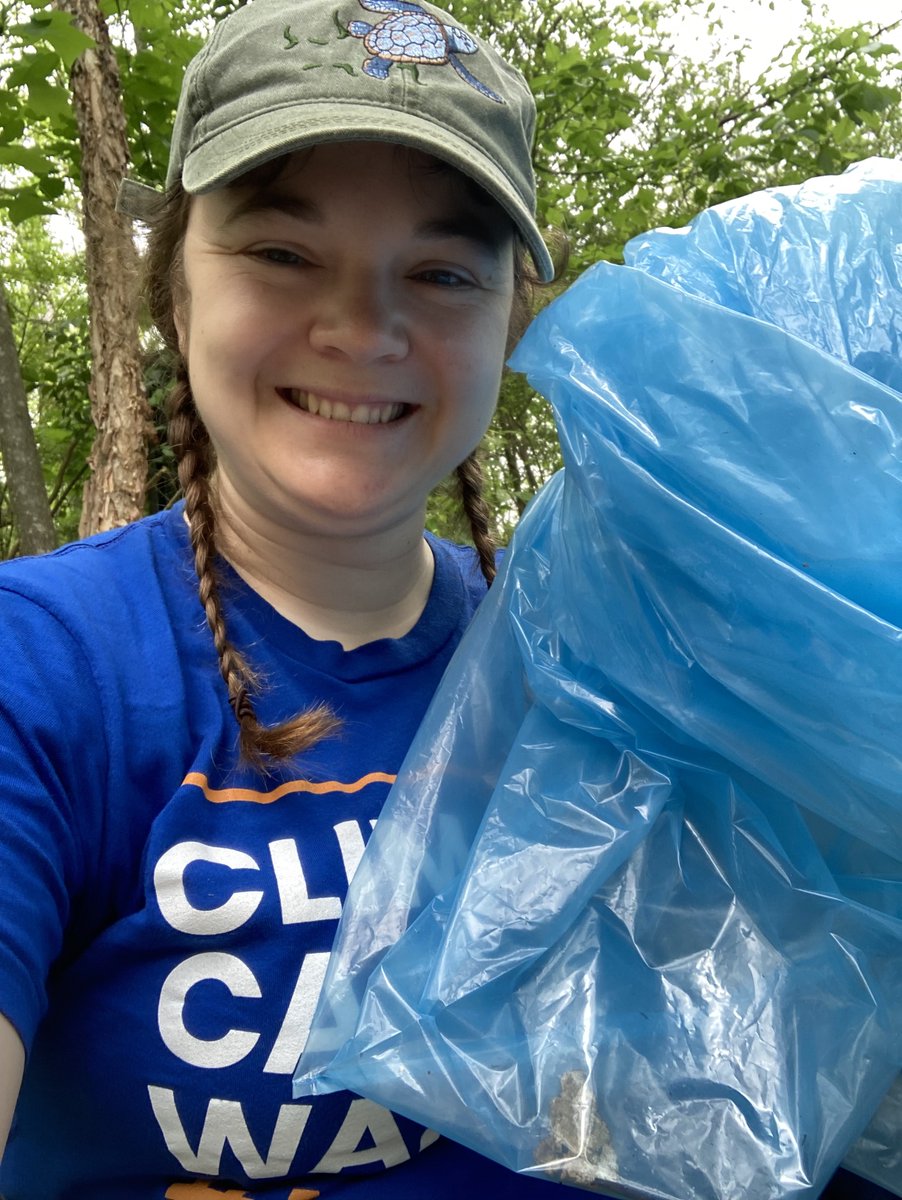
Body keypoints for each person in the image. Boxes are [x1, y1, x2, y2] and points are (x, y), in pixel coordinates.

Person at [0, 0, 575, 1195]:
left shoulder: (595, 663)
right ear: (175, 293)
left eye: (439, 271)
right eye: (280, 252)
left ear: (504, 324)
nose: (362, 328)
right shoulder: (44, 669)